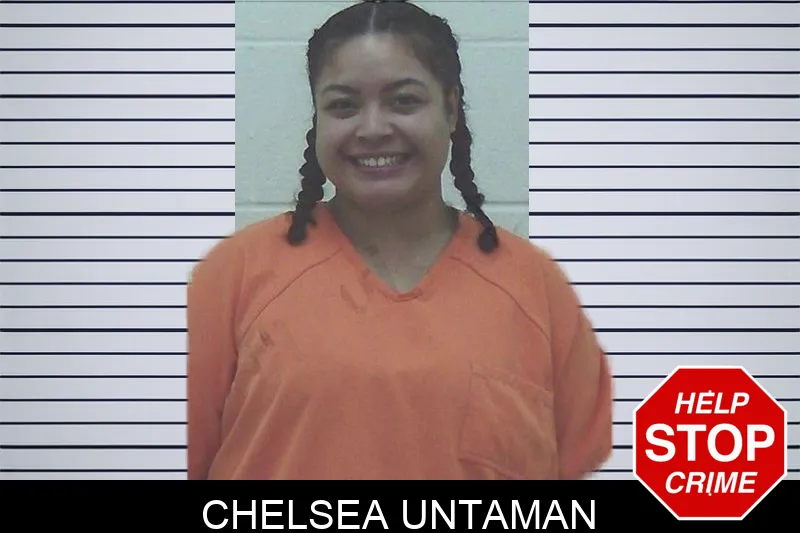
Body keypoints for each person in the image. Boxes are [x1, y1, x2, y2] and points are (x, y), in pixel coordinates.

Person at [187, 0, 613, 480]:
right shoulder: (233, 276)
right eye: (343, 106)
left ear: (450, 108)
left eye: (403, 101)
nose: (372, 129)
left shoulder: (537, 288)